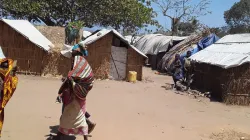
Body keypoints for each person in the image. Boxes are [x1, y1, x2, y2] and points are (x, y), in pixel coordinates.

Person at [52, 44, 94, 140]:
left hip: (75, 95)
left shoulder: (79, 62)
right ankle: (85, 136)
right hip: (76, 94)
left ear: (78, 52)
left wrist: (66, 84)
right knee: (79, 117)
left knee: (66, 116)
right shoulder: (79, 62)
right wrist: (68, 80)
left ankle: (59, 135)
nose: (72, 53)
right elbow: (74, 77)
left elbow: (74, 77)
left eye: (73, 52)